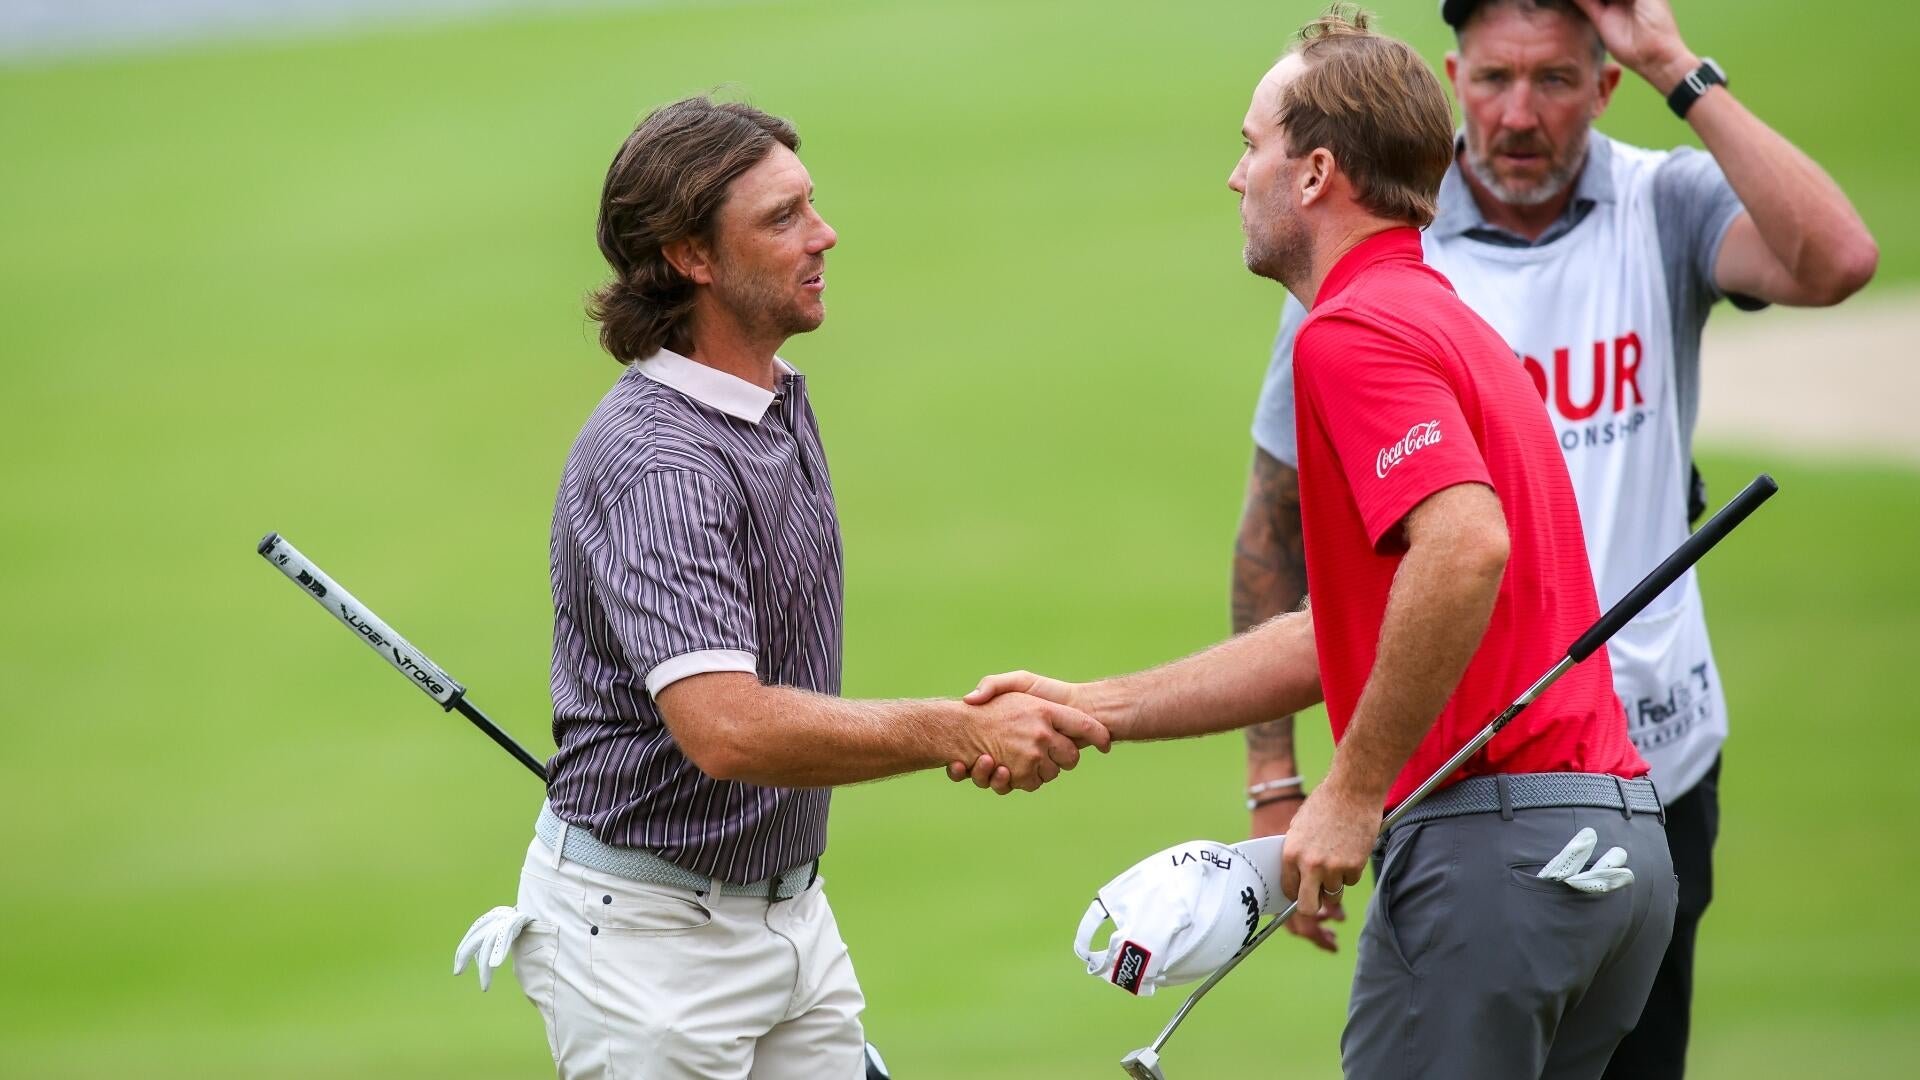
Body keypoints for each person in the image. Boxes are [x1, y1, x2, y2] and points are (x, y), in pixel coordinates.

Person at [958, 9, 1675, 1076]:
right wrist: (1093, 705)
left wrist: (1350, 788)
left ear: (1315, 173)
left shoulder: (1351, 332)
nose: (1234, 176)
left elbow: (1464, 548)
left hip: (1498, 862)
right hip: (1612, 852)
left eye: (1251, 145)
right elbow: (1341, 635)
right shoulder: (1445, 321)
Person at [1239, 1, 1877, 1071]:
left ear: (1606, 84)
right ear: (1454, 81)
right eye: (1493, 80)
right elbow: (1278, 526)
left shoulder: (1659, 201)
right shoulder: (1369, 254)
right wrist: (1279, 778)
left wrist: (1677, 65)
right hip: (1461, 771)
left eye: (1555, 80)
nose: (1520, 114)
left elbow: (1837, 259)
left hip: (1652, 758)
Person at [466, 96, 1110, 1080]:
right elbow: (727, 730)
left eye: (810, 203)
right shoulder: (662, 463)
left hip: (788, 919)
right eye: (783, 218)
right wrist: (958, 730)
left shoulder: (772, 395)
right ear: (691, 255)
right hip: (648, 958)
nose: (824, 234)